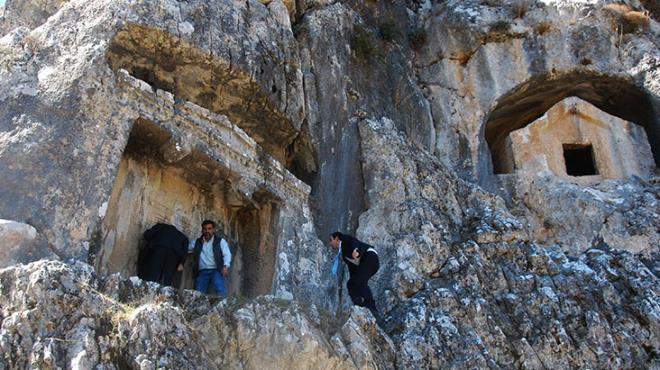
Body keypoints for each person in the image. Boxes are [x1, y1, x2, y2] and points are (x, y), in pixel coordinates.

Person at [329, 231, 380, 314]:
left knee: (361, 282)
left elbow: (353, 241)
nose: (330, 243)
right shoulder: (344, 255)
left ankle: (372, 308)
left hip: (370, 257)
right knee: (351, 283)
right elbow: (352, 269)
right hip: (369, 264)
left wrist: (355, 250)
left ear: (337, 239)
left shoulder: (345, 240)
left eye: (331, 240)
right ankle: (359, 304)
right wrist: (354, 281)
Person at [189, 220, 232, 297]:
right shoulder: (196, 243)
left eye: (209, 229)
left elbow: (227, 254)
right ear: (202, 230)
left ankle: (224, 306)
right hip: (202, 271)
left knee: (220, 288)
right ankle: (198, 308)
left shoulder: (220, 241)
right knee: (199, 292)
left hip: (216, 270)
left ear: (213, 230)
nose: (207, 231)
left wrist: (226, 266)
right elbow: (186, 249)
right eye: (205, 229)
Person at [139, 222, 188, 287]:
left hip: (159, 249)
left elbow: (147, 235)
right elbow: (185, 249)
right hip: (174, 254)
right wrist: (182, 262)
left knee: (152, 274)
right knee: (167, 278)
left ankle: (148, 290)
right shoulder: (181, 236)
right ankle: (164, 293)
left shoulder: (159, 227)